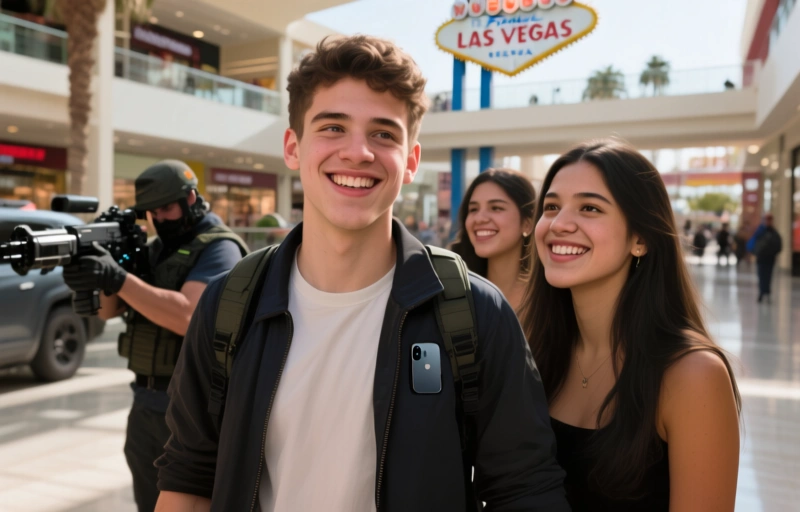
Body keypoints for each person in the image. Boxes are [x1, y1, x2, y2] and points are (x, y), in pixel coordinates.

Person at [154, 36, 568, 512]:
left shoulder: (474, 312)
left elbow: (525, 487)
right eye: (332, 127)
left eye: (384, 134)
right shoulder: (230, 305)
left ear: (411, 160)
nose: (358, 152)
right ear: (293, 147)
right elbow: (188, 476)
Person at [519, 139, 741, 511]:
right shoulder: (535, 351)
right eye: (552, 206)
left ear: (640, 238)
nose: (558, 224)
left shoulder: (691, 375)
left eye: (589, 208)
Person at [62, 160, 248, 512]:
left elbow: (189, 315)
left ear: (191, 198)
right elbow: (108, 311)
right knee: (148, 501)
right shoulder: (157, 248)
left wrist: (117, 277)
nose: (159, 219)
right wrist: (96, 274)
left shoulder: (218, 247)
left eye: (166, 208)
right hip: (145, 400)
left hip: (191, 405)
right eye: (152, 212)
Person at [451, 168, 535, 312]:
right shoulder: (450, 291)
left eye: (496, 208)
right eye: (473, 209)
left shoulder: (549, 298)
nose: (479, 218)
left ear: (527, 223)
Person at [752, 213, 782, 303]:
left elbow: (779, 245)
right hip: (761, 258)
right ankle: (761, 293)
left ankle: (767, 292)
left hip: (770, 259)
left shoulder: (774, 233)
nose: (768, 222)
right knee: (761, 276)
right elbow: (753, 243)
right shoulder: (760, 231)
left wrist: (772, 252)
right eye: (766, 220)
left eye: (769, 220)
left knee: (768, 276)